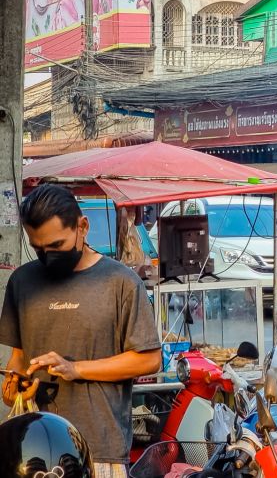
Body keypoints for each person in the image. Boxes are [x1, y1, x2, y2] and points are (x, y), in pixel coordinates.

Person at [0, 184, 162, 477]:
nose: (48, 256)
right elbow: (18, 361)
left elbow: (149, 359)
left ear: (82, 227)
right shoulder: (22, 282)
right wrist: (14, 390)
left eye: (57, 246)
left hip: (99, 450)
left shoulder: (120, 282)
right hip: (33, 453)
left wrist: (75, 368)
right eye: (39, 249)